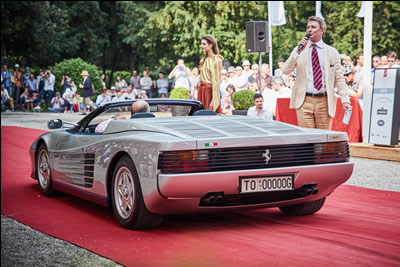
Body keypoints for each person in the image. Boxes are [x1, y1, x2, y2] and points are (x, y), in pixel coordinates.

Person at [281, 16, 351, 130]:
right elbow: (285, 70)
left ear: (322, 30)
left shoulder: (332, 52)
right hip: (304, 101)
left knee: (323, 139)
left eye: (313, 27)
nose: (309, 29)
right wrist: (297, 52)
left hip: (324, 101)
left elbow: (339, 79)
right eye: (308, 27)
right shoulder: (299, 50)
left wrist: (345, 100)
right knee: (307, 139)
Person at [198, 34, 224, 113]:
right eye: (201, 43)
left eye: (204, 44)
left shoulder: (217, 60)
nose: (201, 46)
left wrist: (213, 100)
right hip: (201, 90)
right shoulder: (202, 61)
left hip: (210, 92)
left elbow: (217, 81)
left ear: (211, 45)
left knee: (210, 116)